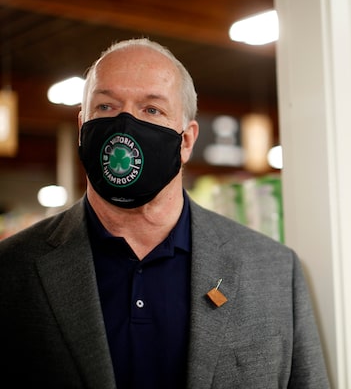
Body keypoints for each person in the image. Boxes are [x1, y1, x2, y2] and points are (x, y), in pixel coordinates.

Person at [0, 38, 330, 389]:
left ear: (186, 141)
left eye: (152, 110)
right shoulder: (13, 268)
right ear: (83, 128)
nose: (125, 124)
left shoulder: (273, 271)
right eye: (106, 106)